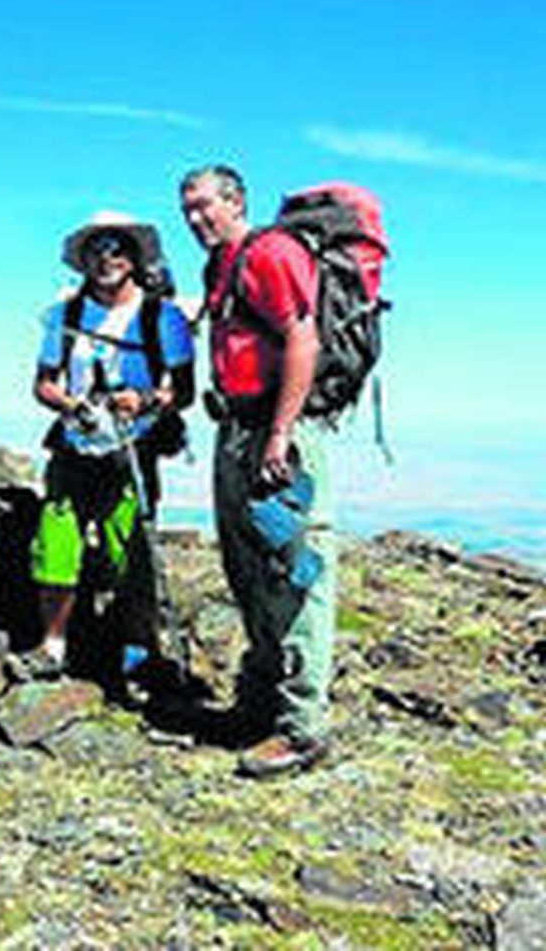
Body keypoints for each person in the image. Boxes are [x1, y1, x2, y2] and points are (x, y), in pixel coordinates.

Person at [180, 164, 336, 778]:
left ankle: (303, 730)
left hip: (278, 437)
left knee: (296, 578)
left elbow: (304, 341)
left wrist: (279, 434)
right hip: (238, 430)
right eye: (187, 210)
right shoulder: (219, 266)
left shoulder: (270, 253)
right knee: (247, 571)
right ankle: (264, 703)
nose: (196, 219)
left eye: (205, 206)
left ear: (236, 201)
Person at [28, 211, 194, 688]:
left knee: (132, 551)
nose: (107, 258)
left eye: (117, 249)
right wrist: (69, 404)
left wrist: (143, 402)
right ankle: (52, 646)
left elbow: (182, 390)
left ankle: (138, 653)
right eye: (96, 250)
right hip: (75, 445)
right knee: (56, 543)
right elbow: (43, 382)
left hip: (133, 446)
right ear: (82, 261)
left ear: (136, 257)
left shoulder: (161, 317)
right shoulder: (65, 314)